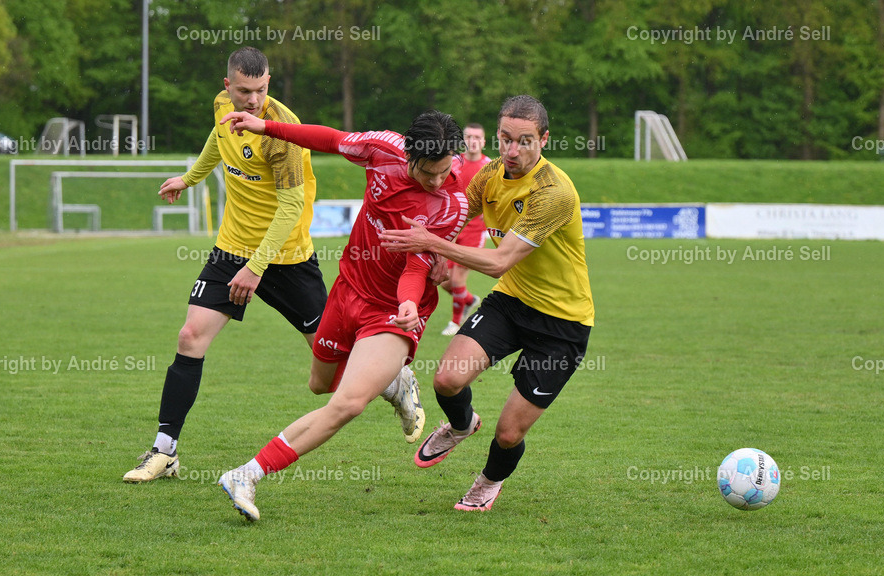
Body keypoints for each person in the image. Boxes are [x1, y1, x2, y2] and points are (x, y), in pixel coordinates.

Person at [213, 109, 470, 522]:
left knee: (347, 403)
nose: (436, 181)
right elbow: (330, 139)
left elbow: (418, 265)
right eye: (427, 173)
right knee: (320, 384)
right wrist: (267, 127)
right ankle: (395, 380)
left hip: (394, 309)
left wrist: (408, 301)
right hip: (349, 289)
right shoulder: (382, 149)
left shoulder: (452, 203)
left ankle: (246, 474)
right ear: (409, 156)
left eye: (443, 171)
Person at [123, 47, 336, 482]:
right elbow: (217, 140)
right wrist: (190, 178)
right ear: (228, 87)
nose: (253, 100)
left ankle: (393, 382)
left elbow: (292, 206)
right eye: (244, 90)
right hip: (232, 248)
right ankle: (165, 452)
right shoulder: (223, 107)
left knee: (331, 363)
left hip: (286, 254)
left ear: (269, 83)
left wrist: (256, 268)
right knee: (190, 336)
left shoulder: (285, 132)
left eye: (260, 90)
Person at [379, 95, 594, 512]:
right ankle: (462, 424)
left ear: (544, 140)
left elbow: (498, 262)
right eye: (505, 139)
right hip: (511, 303)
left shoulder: (554, 193)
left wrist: (430, 243)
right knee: (446, 381)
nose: (512, 151)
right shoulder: (491, 174)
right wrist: (439, 253)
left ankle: (487, 483)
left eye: (525, 141)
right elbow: (457, 215)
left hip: (562, 324)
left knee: (510, 432)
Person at [440, 123, 493, 336]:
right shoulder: (454, 162)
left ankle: (455, 323)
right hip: (454, 228)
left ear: (483, 142)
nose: (473, 141)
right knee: (444, 280)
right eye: (469, 136)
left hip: (475, 230)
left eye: (477, 137)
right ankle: (470, 300)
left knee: (458, 279)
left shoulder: (491, 167)